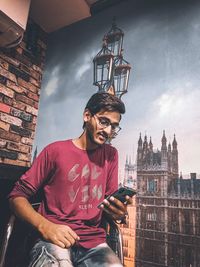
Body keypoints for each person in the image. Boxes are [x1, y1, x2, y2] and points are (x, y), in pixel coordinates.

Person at [8, 92, 133, 267]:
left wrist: (119, 213)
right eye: (104, 121)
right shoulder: (55, 151)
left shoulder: (111, 155)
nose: (108, 131)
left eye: (114, 126)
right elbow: (16, 197)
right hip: (53, 238)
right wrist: (45, 226)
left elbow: (108, 203)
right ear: (87, 115)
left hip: (94, 244)